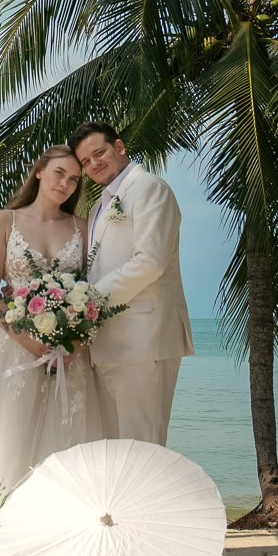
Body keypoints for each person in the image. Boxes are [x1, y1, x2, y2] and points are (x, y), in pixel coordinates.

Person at [0, 145, 109, 508]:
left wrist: (73, 344)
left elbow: (91, 293)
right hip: (12, 348)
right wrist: (26, 340)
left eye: (74, 179)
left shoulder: (82, 228)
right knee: (8, 440)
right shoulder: (5, 222)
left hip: (68, 353)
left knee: (63, 439)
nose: (65, 184)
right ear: (40, 171)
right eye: (59, 173)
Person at [70, 120, 192, 445]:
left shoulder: (150, 188)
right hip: (106, 346)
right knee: (116, 454)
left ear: (119, 147)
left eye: (99, 153)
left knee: (143, 449)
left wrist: (86, 301)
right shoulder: (98, 206)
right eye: (85, 161)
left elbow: (150, 261)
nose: (94, 164)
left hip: (143, 342)